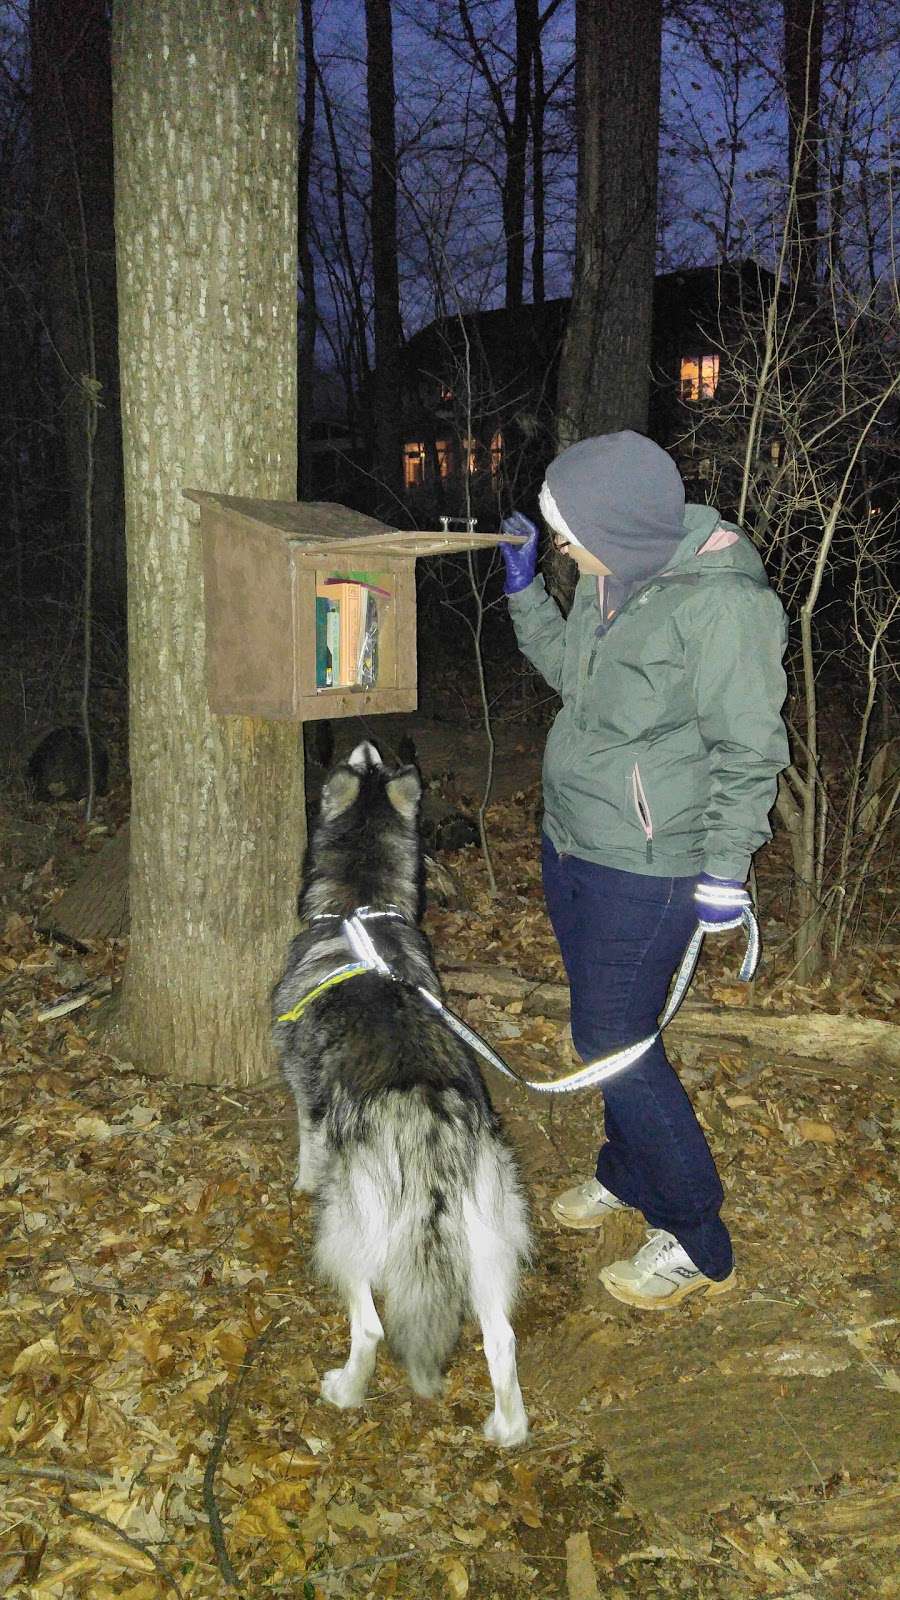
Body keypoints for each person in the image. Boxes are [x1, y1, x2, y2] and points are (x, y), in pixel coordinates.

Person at [499, 430, 788, 1310]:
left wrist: (724, 870)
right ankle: (626, 1174)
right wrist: (524, 599)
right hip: (574, 842)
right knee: (611, 1033)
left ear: (617, 525)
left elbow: (750, 749)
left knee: (612, 1048)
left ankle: (699, 1236)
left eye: (564, 531)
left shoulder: (722, 607)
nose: (559, 547)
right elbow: (574, 680)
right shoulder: (609, 578)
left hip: (650, 865)